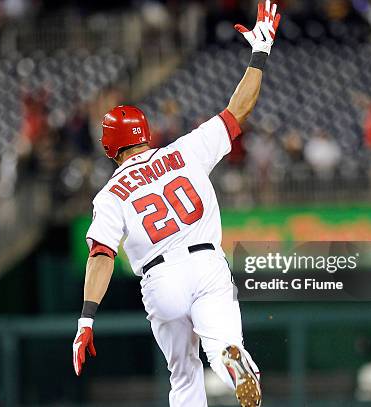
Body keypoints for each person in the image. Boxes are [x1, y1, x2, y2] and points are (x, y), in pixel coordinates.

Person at [72, 2, 282, 406]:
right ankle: (230, 360)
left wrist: (86, 318)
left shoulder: (110, 194)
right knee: (223, 344)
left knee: (184, 378)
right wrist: (260, 52)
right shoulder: (185, 149)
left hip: (160, 279)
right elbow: (240, 109)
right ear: (144, 133)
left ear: (109, 145)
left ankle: (219, 368)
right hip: (206, 264)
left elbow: (100, 255)